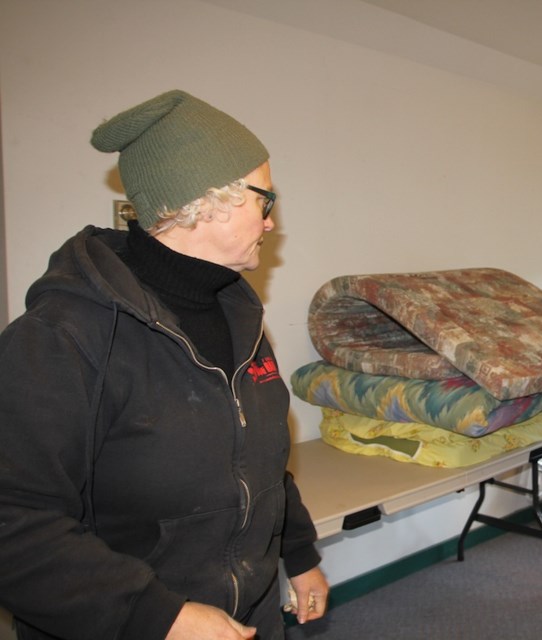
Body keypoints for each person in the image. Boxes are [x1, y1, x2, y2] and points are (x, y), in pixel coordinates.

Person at [0, 90, 329, 640]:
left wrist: (298, 554)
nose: (271, 221)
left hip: (250, 614)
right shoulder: (61, 336)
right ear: (206, 199)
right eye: (263, 200)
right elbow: (14, 523)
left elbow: (262, 458)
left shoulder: (240, 315)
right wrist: (160, 617)